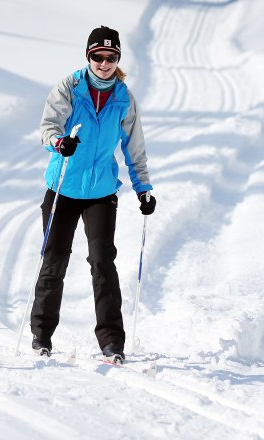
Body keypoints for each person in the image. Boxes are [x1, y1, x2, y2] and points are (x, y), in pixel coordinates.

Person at [31, 26, 156, 364]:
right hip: (63, 187)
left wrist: (143, 187)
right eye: (98, 57)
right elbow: (47, 127)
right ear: (88, 57)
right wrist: (60, 143)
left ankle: (112, 341)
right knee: (54, 259)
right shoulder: (69, 88)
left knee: (103, 263)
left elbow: (135, 148)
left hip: (101, 192)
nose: (104, 63)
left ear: (117, 60)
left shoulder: (123, 98)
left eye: (111, 58)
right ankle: (41, 335)